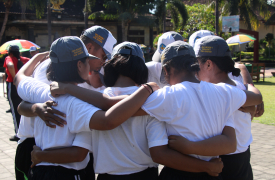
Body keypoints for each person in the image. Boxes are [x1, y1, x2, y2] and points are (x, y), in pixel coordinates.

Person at [30, 42, 225, 180]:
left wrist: (32, 108)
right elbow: (159, 152)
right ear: (141, 67)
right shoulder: (152, 100)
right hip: (145, 176)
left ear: (112, 67)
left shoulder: (92, 98)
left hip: (107, 177)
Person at [14, 36, 159, 180]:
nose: (90, 66)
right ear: (79, 66)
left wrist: (35, 108)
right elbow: (107, 120)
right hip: (69, 174)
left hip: (41, 172)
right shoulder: (81, 105)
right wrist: (148, 90)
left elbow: (18, 79)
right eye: (87, 61)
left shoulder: (41, 91)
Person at [140, 41, 262, 179]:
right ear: (195, 66)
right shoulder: (223, 92)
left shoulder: (166, 96)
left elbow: (131, 110)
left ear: (167, 70)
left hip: (179, 173)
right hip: (214, 172)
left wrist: (147, 89)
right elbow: (230, 144)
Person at [15, 25, 117, 180]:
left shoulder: (92, 70)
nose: (104, 62)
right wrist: (37, 109)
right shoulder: (51, 69)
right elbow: (24, 105)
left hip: (75, 154)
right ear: (89, 48)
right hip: (37, 148)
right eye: (104, 56)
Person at [192, 36, 255, 180]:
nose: (194, 71)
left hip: (223, 162)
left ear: (208, 64)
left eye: (196, 65)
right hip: (243, 160)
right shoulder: (239, 86)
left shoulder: (215, 91)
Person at [3, 45, 29, 141]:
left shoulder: (9, 58)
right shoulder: (23, 59)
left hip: (13, 86)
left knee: (15, 110)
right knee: (24, 109)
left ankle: (18, 134)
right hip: (23, 86)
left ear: (10, 52)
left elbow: (10, 65)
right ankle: (25, 131)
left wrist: (15, 78)